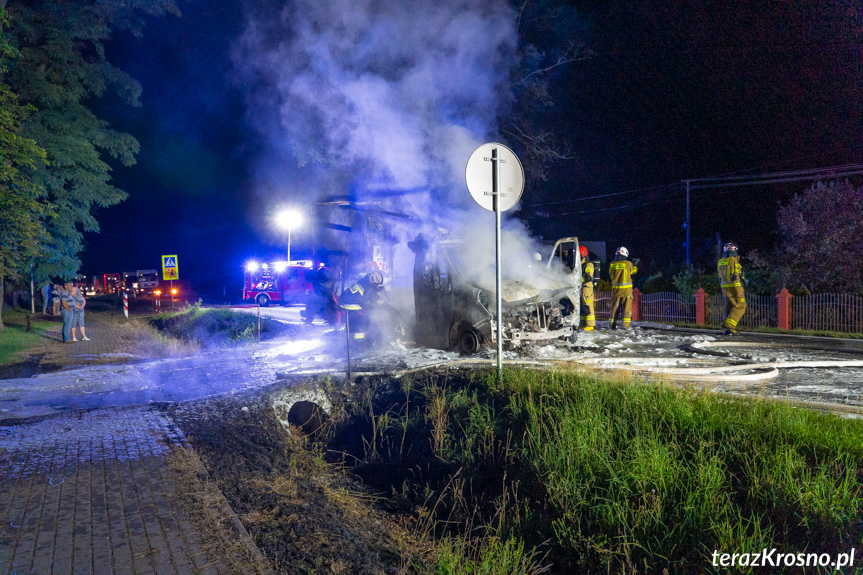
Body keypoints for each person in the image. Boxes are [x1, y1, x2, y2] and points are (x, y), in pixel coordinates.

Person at [339, 271, 386, 343]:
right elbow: (371, 296)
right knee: (363, 323)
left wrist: (377, 290)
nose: (376, 285)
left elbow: (368, 293)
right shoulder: (367, 287)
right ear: (373, 281)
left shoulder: (365, 280)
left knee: (356, 323)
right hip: (350, 305)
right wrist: (384, 305)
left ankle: (352, 337)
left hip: (347, 302)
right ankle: (360, 342)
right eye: (376, 284)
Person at [718, 242, 746, 336]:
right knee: (741, 306)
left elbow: (719, 277)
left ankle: (727, 329)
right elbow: (735, 277)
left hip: (725, 289)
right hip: (734, 289)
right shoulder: (733, 260)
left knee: (729, 308)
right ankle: (730, 325)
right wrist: (738, 291)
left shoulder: (721, 261)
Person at [608, 246, 638, 330]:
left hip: (615, 291)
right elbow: (633, 271)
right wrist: (635, 265)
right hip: (626, 291)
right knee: (626, 308)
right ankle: (626, 325)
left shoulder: (612, 264)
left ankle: (612, 325)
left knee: (614, 308)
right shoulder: (628, 264)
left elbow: (611, 276)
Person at [578, 245, 596, 331]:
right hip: (580, 288)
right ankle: (582, 323)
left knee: (588, 306)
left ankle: (590, 324)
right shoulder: (579, 265)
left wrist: (577, 280)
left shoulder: (589, 264)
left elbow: (588, 277)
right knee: (581, 306)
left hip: (587, 288)